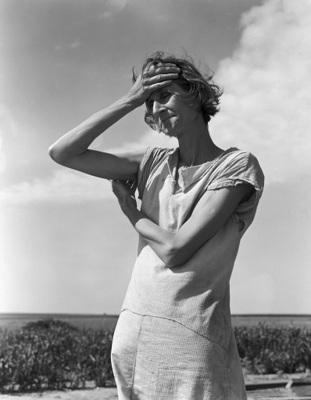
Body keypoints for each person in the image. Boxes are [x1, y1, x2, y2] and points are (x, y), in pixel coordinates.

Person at [49, 51, 264, 399]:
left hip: (194, 341)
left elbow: (176, 250)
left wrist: (130, 211)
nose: (154, 109)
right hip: (135, 334)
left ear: (196, 94)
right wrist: (129, 100)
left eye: (164, 95)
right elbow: (63, 153)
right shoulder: (151, 162)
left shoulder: (237, 166)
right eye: (147, 103)